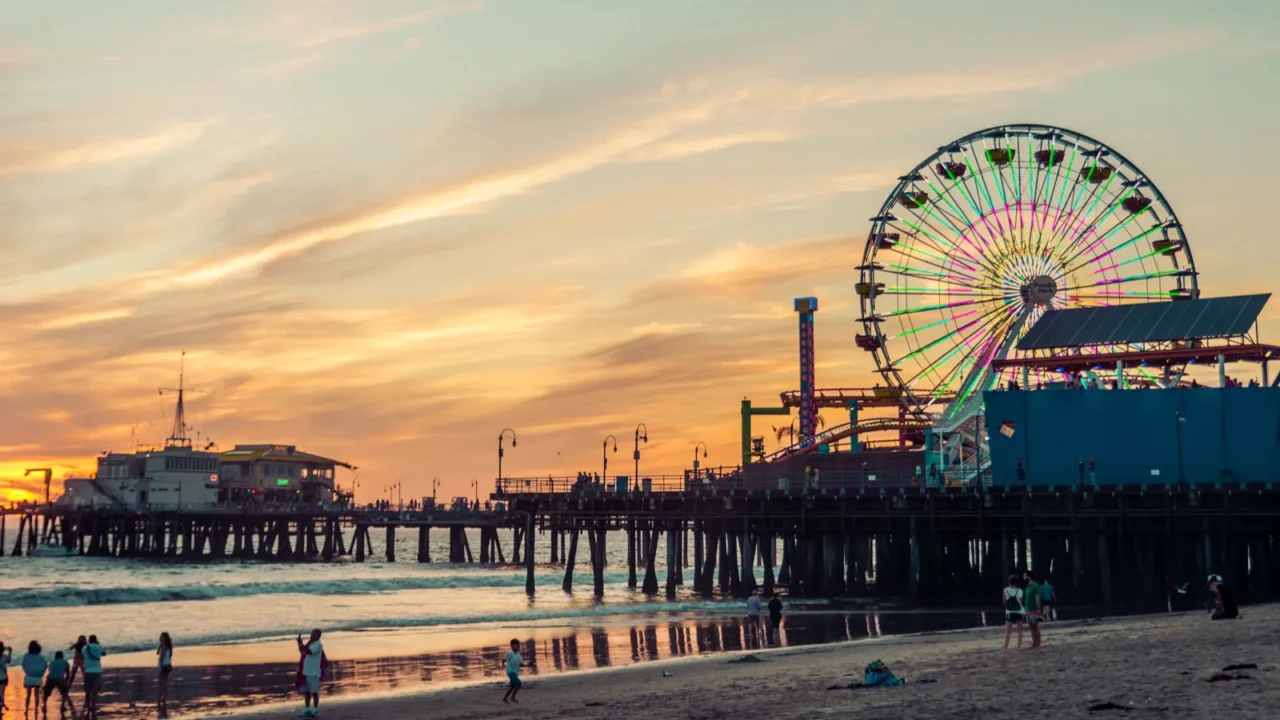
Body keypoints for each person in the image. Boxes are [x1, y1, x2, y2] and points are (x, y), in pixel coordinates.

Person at [297, 629, 324, 717]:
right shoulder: (311, 644)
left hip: (314, 673)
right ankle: (307, 708)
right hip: (306, 672)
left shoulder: (318, 645)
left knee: (314, 692)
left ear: (318, 636)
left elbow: (308, 651)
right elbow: (302, 651)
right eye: (311, 634)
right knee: (306, 691)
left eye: (313, 635)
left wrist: (301, 644)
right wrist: (299, 643)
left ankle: (315, 709)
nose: (311, 636)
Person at [43, 651, 74, 716]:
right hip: (60, 678)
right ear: (62, 656)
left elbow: (50, 670)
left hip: (50, 678)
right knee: (64, 692)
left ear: (55, 656)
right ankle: (62, 706)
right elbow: (68, 673)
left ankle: (44, 706)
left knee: (46, 692)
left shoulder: (52, 662)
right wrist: (66, 682)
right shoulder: (65, 662)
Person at [83, 634, 106, 719]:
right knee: (95, 690)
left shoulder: (84, 648)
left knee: (87, 690)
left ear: (89, 640)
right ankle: (93, 705)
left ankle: (88, 706)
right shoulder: (98, 646)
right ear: (96, 640)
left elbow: (84, 655)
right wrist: (98, 645)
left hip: (87, 671)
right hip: (97, 671)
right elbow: (104, 654)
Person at [22, 641, 48, 714]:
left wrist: (28, 672)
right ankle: (36, 710)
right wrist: (41, 674)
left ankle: (26, 710)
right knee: (36, 695)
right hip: (37, 678)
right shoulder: (41, 657)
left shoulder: (26, 656)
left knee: (28, 695)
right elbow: (45, 666)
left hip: (29, 677)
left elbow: (24, 665)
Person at [1002, 575, 1025, 650]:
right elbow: (1020, 602)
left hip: (1009, 612)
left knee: (1007, 632)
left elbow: (1004, 602)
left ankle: (1005, 647)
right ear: (1016, 582)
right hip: (1019, 611)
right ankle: (1019, 646)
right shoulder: (1020, 591)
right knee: (1020, 631)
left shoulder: (1005, 590)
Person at [1022, 571, 1042, 649]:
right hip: (1028, 610)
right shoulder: (1027, 586)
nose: (1023, 578)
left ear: (1029, 576)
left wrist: (1038, 609)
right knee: (1031, 627)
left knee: (1036, 627)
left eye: (1024, 576)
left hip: (1034, 610)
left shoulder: (1035, 586)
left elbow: (1037, 598)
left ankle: (1038, 644)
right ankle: (1034, 643)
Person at [157, 632, 174, 718]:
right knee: (165, 683)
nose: (159, 637)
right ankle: (164, 699)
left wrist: (159, 667)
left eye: (161, 636)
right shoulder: (169, 646)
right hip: (168, 666)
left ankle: (159, 700)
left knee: (161, 684)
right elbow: (169, 657)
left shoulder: (163, 646)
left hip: (163, 666)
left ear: (163, 638)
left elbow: (161, 658)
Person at [502, 639, 523, 704]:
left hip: (515, 672)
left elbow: (521, 664)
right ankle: (512, 697)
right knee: (518, 683)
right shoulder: (510, 653)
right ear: (512, 646)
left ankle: (504, 698)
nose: (518, 647)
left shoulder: (518, 655)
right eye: (516, 646)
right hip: (510, 671)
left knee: (512, 686)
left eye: (518, 646)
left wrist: (529, 665)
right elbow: (504, 659)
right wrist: (503, 665)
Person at [0, 641, 11, 710]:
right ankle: (1, 706)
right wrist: (9, 652)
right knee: (2, 693)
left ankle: (1, 706)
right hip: (3, 678)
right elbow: (9, 661)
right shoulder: (5, 657)